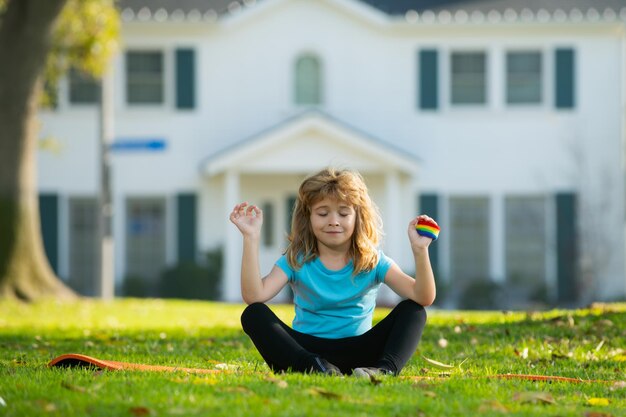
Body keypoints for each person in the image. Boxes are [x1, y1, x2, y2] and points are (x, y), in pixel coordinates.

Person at [229, 167, 437, 377]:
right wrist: (251, 237)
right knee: (253, 314)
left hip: (361, 352)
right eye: (322, 213)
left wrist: (420, 250)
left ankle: (384, 371)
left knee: (414, 311)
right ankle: (316, 368)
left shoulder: (373, 260)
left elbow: (423, 296)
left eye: (344, 213)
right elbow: (254, 296)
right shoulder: (296, 259)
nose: (333, 221)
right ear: (308, 218)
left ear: (358, 218)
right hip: (306, 353)